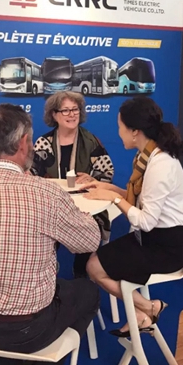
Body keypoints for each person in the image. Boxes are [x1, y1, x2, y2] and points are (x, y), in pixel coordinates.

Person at [0, 103, 101, 365]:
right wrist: (81, 215)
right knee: (88, 291)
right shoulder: (45, 193)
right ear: (23, 143)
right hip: (26, 330)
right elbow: (89, 241)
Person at [83, 96, 183, 337]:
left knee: (94, 267)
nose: (118, 133)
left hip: (166, 247)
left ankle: (149, 307)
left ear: (135, 131)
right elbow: (143, 200)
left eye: (120, 127)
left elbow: (145, 220)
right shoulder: (147, 157)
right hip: (150, 238)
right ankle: (144, 313)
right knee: (96, 261)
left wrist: (114, 199)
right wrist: (110, 189)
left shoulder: (160, 164)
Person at [31, 91, 114, 277]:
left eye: (75, 109)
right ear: (54, 115)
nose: (72, 114)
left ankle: (83, 279)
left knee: (88, 235)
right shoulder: (44, 143)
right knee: (39, 232)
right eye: (66, 110)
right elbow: (32, 175)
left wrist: (94, 180)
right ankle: (47, 278)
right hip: (52, 208)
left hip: (86, 209)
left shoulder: (91, 141)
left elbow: (106, 171)